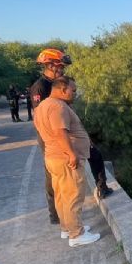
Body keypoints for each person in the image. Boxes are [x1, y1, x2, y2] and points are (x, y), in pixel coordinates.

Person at [29, 49, 113, 221]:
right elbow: (42, 117)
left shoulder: (60, 82)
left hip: (69, 130)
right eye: (60, 66)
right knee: (54, 175)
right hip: (55, 135)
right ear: (49, 65)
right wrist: (65, 148)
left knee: (95, 154)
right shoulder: (40, 87)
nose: (63, 70)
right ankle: (56, 215)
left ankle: (102, 187)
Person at [33, 77, 100, 247]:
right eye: (73, 90)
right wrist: (71, 154)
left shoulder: (42, 106)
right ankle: (76, 235)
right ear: (63, 89)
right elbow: (60, 132)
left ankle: (67, 227)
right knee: (73, 196)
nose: (75, 94)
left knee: (62, 195)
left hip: (53, 157)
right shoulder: (57, 106)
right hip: (65, 159)